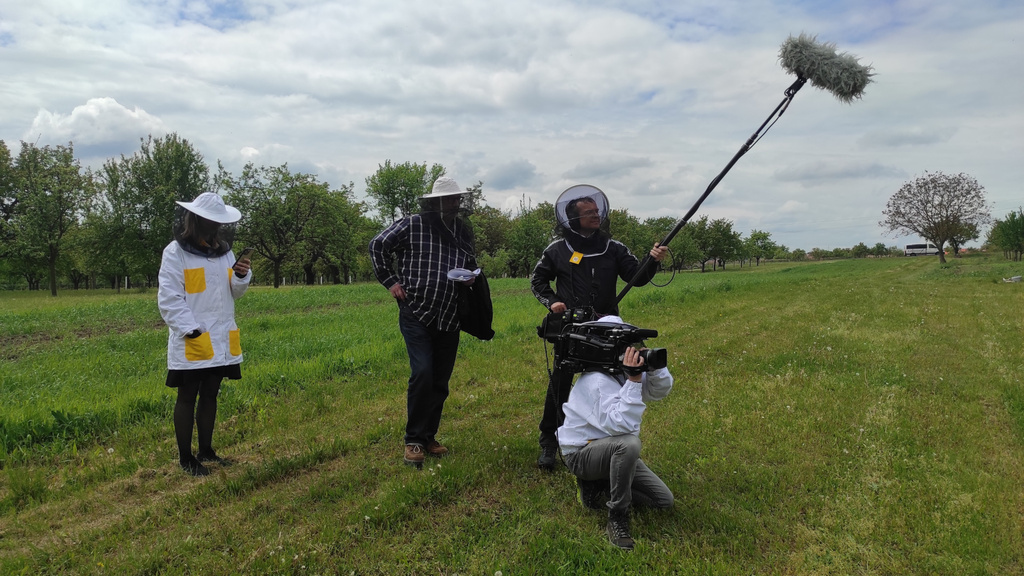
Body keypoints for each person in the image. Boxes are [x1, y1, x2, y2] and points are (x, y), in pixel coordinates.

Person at [531, 185, 668, 470]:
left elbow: (636, 277)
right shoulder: (556, 251)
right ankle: (549, 440)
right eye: (589, 213)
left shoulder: (613, 248)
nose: (597, 216)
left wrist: (651, 261)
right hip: (571, 331)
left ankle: (605, 439)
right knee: (560, 382)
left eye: (597, 211)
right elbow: (538, 282)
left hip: (608, 329)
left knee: (610, 380)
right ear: (573, 219)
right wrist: (554, 302)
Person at [368, 176, 478, 467]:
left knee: (440, 381)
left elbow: (469, 264)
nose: (456, 203)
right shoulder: (412, 223)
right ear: (435, 202)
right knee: (423, 373)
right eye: (450, 199)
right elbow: (377, 245)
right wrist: (391, 281)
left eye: (458, 199)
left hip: (450, 313)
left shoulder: (462, 231)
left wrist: (469, 277)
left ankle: (429, 437)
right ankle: (413, 441)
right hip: (416, 311)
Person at [556, 315, 674, 550]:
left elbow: (658, 391)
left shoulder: (620, 371)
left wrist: (653, 367)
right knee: (629, 444)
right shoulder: (597, 381)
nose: (632, 350)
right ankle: (617, 517)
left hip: (608, 448)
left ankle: (598, 485)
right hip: (581, 454)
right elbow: (621, 426)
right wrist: (633, 379)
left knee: (663, 501)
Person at [157, 192, 252, 477]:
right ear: (197, 220)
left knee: (211, 394)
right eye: (213, 223)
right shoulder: (176, 252)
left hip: (221, 336)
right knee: (187, 396)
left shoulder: (225, 252)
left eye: (220, 224)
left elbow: (233, 293)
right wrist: (192, 330)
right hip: (194, 336)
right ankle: (186, 459)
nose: (218, 228)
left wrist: (240, 275)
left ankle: (207, 451)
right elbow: (170, 298)